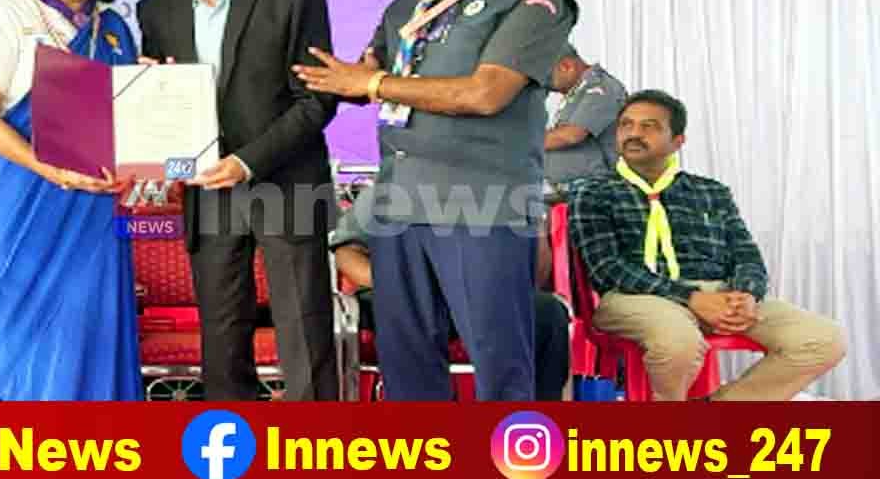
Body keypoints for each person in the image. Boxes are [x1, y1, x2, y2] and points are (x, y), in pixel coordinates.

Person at [294, 0, 577, 400]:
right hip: (400, 203)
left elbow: (485, 93)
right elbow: (365, 75)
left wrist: (373, 83)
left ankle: (509, 456)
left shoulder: (533, 0)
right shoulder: (414, 0)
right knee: (408, 364)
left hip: (481, 207)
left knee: (498, 361)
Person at [137, 0, 339, 401]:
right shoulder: (155, 10)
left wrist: (246, 161)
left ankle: (318, 446)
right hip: (206, 191)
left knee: (304, 331)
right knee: (222, 338)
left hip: (287, 182)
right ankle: (230, 442)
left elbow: (317, 99)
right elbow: (162, 107)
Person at [0, 0, 142, 401]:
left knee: (95, 327)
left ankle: (100, 443)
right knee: (24, 331)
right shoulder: (6, 14)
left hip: (98, 207)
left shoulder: (112, 27)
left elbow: (124, 119)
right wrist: (50, 168)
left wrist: (154, 94)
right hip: (29, 200)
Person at [569, 90, 846, 400]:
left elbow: (746, 255)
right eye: (626, 125)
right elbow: (607, 268)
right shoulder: (593, 190)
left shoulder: (711, 191)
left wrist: (746, 295)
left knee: (824, 339)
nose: (634, 133)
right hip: (634, 297)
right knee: (678, 342)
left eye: (649, 126)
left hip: (718, 293)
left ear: (677, 141)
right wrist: (691, 298)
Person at [331, 186, 570, 400]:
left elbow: (535, 277)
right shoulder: (386, 190)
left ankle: (530, 423)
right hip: (402, 291)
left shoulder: (499, 189)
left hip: (481, 294)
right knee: (408, 311)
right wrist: (394, 281)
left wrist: (534, 229)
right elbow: (347, 253)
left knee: (548, 312)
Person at [544, 43, 627, 188]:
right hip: (572, 189)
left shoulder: (600, 87)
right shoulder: (579, 92)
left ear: (566, 66)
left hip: (597, 189)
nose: (545, 85)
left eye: (547, 79)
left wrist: (521, 143)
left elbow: (570, 136)